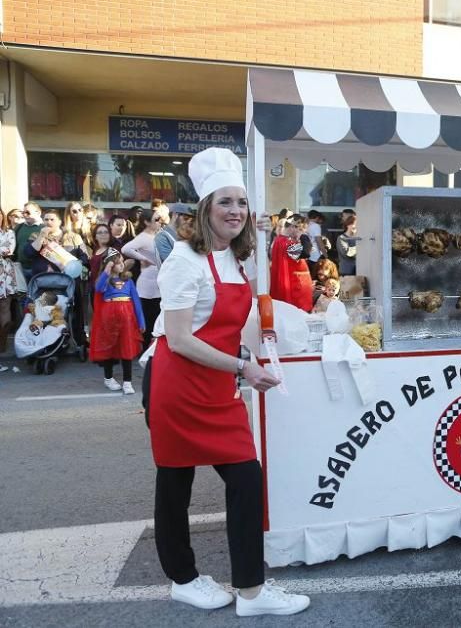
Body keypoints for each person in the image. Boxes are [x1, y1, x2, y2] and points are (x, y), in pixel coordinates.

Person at [146, 147, 309, 616]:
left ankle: (251, 593)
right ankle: (183, 578)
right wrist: (243, 367)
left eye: (241, 203)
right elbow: (178, 339)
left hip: (217, 382)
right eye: (225, 203)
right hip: (178, 384)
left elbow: (222, 327)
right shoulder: (183, 261)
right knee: (175, 482)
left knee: (245, 478)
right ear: (205, 209)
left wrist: (244, 357)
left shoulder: (234, 260)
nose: (236, 211)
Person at [89, 249, 144, 394]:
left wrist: (141, 321)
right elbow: (99, 288)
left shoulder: (128, 280)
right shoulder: (105, 280)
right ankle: (108, 378)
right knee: (109, 348)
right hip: (109, 318)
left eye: (121, 262)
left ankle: (127, 382)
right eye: (118, 262)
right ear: (111, 264)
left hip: (127, 317)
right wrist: (107, 269)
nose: (121, 265)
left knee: (127, 348)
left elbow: (136, 301)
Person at [123, 208, 167, 349]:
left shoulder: (159, 235)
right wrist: (143, 258)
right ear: (147, 222)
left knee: (157, 316)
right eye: (156, 219)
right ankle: (147, 350)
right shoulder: (143, 237)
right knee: (149, 317)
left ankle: (155, 348)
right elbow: (126, 249)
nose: (159, 222)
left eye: (160, 219)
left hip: (159, 280)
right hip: (148, 284)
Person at [269, 214, 313, 313]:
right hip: (295, 293)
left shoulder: (278, 240)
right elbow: (306, 252)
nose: (302, 231)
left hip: (286, 288)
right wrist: (303, 236)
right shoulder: (287, 243)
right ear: (294, 226)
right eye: (301, 229)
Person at [0, 206, 17, 371]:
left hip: (5, 274)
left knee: (5, 309)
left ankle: (2, 346)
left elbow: (9, 250)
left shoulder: (9, 232)